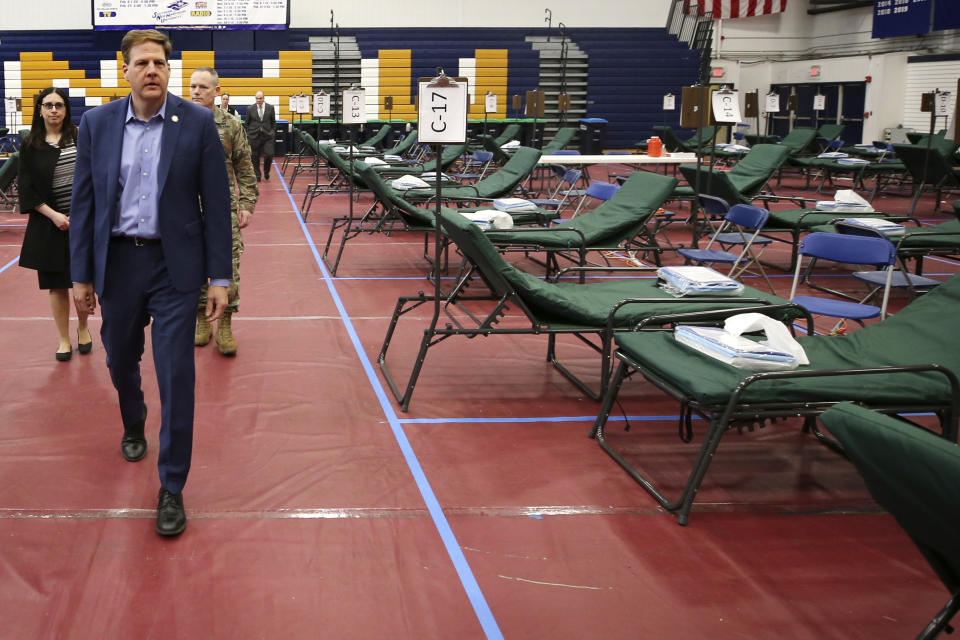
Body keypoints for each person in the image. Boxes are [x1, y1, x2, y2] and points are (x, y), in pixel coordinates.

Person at [70, 29, 231, 537]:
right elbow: (84, 204)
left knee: (177, 374)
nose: (152, 70)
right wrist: (81, 275)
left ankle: (172, 487)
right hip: (117, 263)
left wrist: (220, 278)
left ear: (169, 69)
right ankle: (133, 416)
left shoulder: (197, 124)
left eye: (160, 62)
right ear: (126, 71)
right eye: (142, 63)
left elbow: (217, 207)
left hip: (175, 267)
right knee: (119, 359)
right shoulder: (96, 124)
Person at [18, 87, 92, 362]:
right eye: (48, 105)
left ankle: (84, 328)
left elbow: (93, 176)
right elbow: (26, 189)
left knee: (81, 281)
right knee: (57, 286)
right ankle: (63, 339)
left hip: (82, 225)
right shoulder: (30, 145)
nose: (53, 110)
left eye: (58, 105)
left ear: (66, 109)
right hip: (49, 226)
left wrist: (83, 215)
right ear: (40, 110)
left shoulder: (79, 137)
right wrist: (55, 216)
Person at [189, 66, 258, 356]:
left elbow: (244, 165)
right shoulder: (178, 123)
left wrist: (247, 204)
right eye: (193, 86)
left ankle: (226, 324)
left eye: (203, 87)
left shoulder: (230, 125)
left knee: (228, 267)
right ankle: (202, 320)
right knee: (193, 268)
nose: (196, 92)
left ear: (217, 92)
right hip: (187, 209)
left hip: (223, 210)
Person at [245, 90, 275, 181]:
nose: (258, 100)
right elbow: (247, 123)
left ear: (263, 98)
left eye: (260, 98)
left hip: (267, 136)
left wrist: (273, 132)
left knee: (269, 155)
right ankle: (257, 174)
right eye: (257, 98)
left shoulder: (270, 108)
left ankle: (266, 172)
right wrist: (248, 134)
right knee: (254, 157)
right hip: (254, 136)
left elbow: (273, 122)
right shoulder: (250, 109)